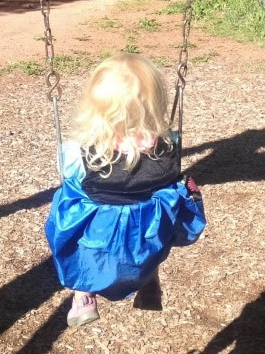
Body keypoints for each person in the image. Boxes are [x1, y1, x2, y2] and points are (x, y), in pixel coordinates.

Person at [45, 53, 206, 327]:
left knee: (72, 210)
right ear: (155, 103)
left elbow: (68, 178)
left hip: (98, 235)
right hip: (147, 235)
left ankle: (83, 295)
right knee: (155, 227)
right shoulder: (169, 146)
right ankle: (150, 283)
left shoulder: (77, 152)